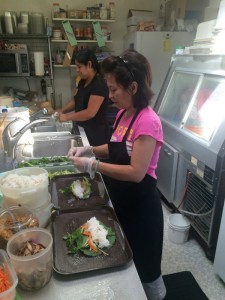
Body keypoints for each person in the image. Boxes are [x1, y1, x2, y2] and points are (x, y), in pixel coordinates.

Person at [67, 49, 166, 300]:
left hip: (142, 209)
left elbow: (135, 172)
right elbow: (114, 147)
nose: (109, 96)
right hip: (121, 201)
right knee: (124, 263)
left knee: (146, 270)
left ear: (133, 87)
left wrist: (92, 165)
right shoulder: (123, 113)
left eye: (113, 90)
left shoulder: (148, 121)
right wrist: (89, 149)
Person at [57, 48, 110, 146]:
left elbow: (90, 113)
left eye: (79, 66)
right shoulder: (82, 81)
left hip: (97, 135)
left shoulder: (99, 84)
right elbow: (75, 100)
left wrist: (67, 117)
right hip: (84, 130)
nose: (77, 70)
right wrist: (62, 111)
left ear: (89, 65)